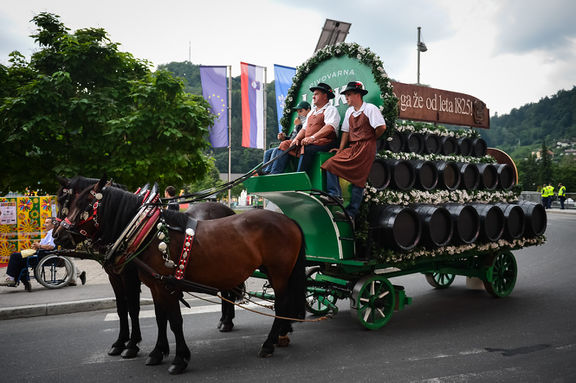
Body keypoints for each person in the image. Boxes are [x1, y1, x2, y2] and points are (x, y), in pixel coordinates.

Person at [321, 81, 386, 220]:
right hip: (353, 147)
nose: (346, 98)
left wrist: (371, 138)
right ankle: (335, 195)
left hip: (366, 147)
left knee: (358, 180)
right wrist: (340, 149)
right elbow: (345, 131)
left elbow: (381, 127)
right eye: (346, 95)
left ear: (358, 95)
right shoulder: (350, 111)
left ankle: (351, 213)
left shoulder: (370, 108)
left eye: (349, 95)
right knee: (330, 164)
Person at [270, 83, 340, 174]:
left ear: (325, 96)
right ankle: (274, 173)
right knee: (285, 144)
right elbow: (304, 128)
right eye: (313, 94)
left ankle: (300, 177)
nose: (313, 97)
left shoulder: (331, 109)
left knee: (307, 147)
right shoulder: (312, 112)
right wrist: (296, 139)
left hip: (325, 142)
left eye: (316, 94)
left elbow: (329, 127)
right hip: (310, 142)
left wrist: (312, 138)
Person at [0, 217, 85, 290]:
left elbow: (51, 247)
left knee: (15, 256)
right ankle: (16, 278)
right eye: (45, 223)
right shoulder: (49, 233)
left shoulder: (53, 233)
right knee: (18, 256)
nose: (45, 224)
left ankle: (12, 278)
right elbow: (45, 244)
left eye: (47, 223)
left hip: (47, 255)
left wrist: (39, 245)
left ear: (53, 224)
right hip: (45, 253)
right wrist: (37, 245)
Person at [261, 101, 311, 174]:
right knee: (268, 152)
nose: (299, 114)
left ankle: (271, 172)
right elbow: (292, 137)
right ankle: (265, 171)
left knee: (278, 149)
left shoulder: (308, 120)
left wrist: (298, 126)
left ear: (308, 110)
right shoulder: (299, 122)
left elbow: (304, 135)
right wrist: (284, 138)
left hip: (298, 146)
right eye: (298, 112)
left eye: (301, 111)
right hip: (291, 144)